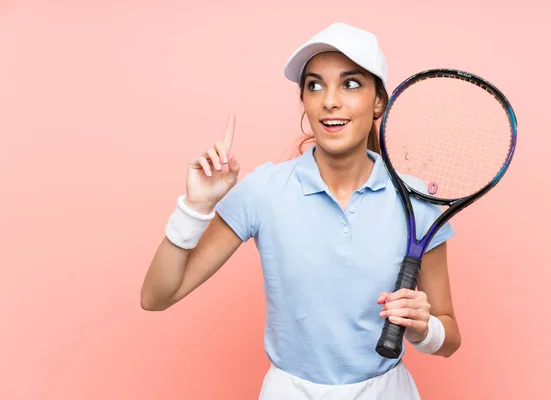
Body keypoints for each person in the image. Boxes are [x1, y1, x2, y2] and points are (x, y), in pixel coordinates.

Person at [141, 22, 461, 399]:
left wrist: (426, 329)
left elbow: (449, 338)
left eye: (351, 83)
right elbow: (156, 297)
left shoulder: (415, 200)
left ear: (378, 102)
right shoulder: (265, 190)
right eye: (315, 85)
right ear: (304, 101)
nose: (330, 100)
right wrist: (196, 207)